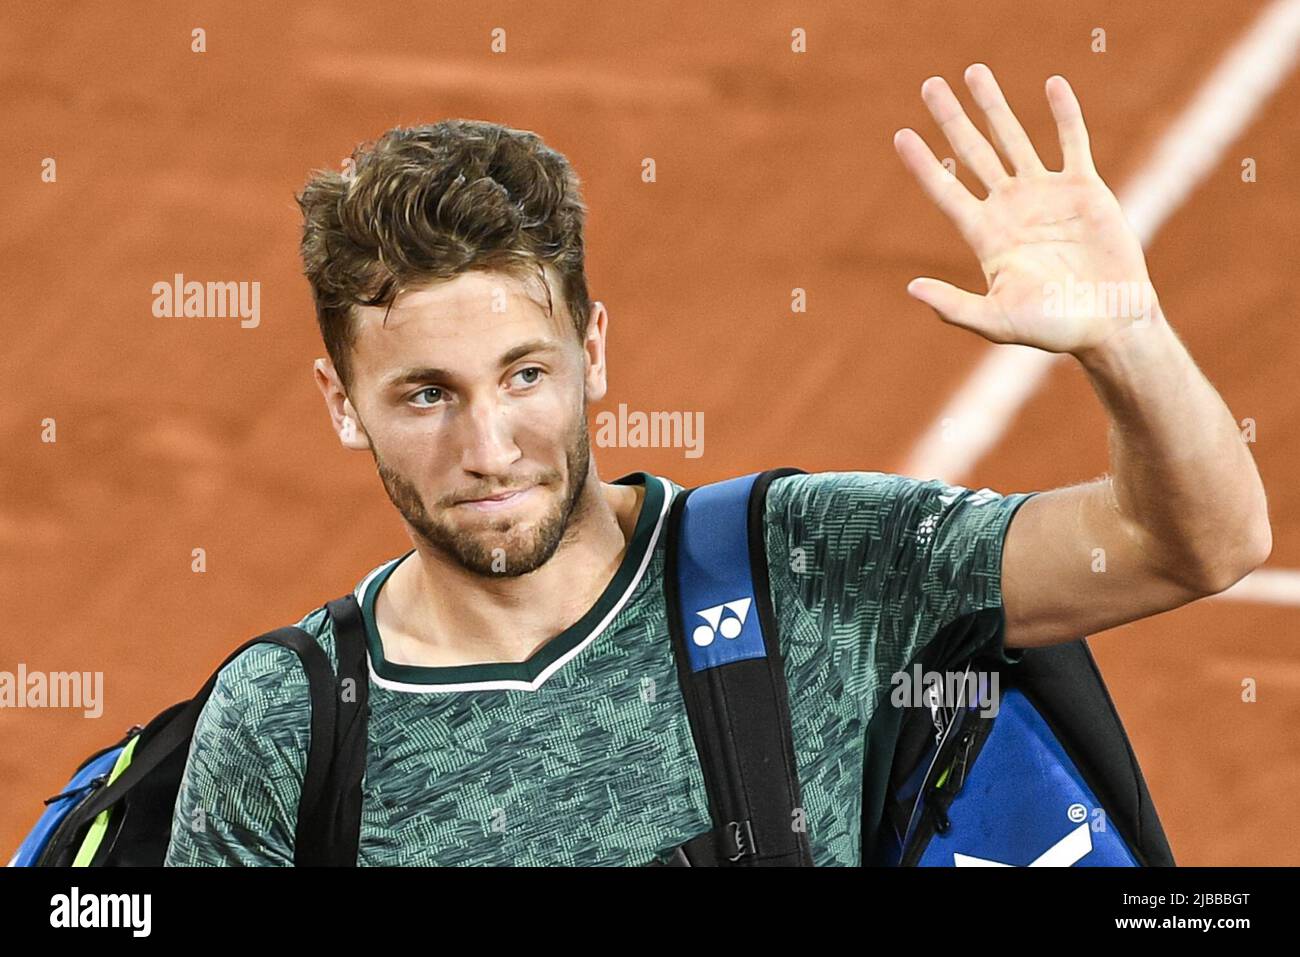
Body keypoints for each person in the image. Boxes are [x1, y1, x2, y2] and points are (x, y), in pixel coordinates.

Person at [164, 64, 1270, 866]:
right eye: (424, 395)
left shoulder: (810, 565)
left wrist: (1128, 341)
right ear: (340, 404)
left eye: (524, 376)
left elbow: (1197, 545)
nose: (488, 448)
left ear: (594, 353)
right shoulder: (287, 726)